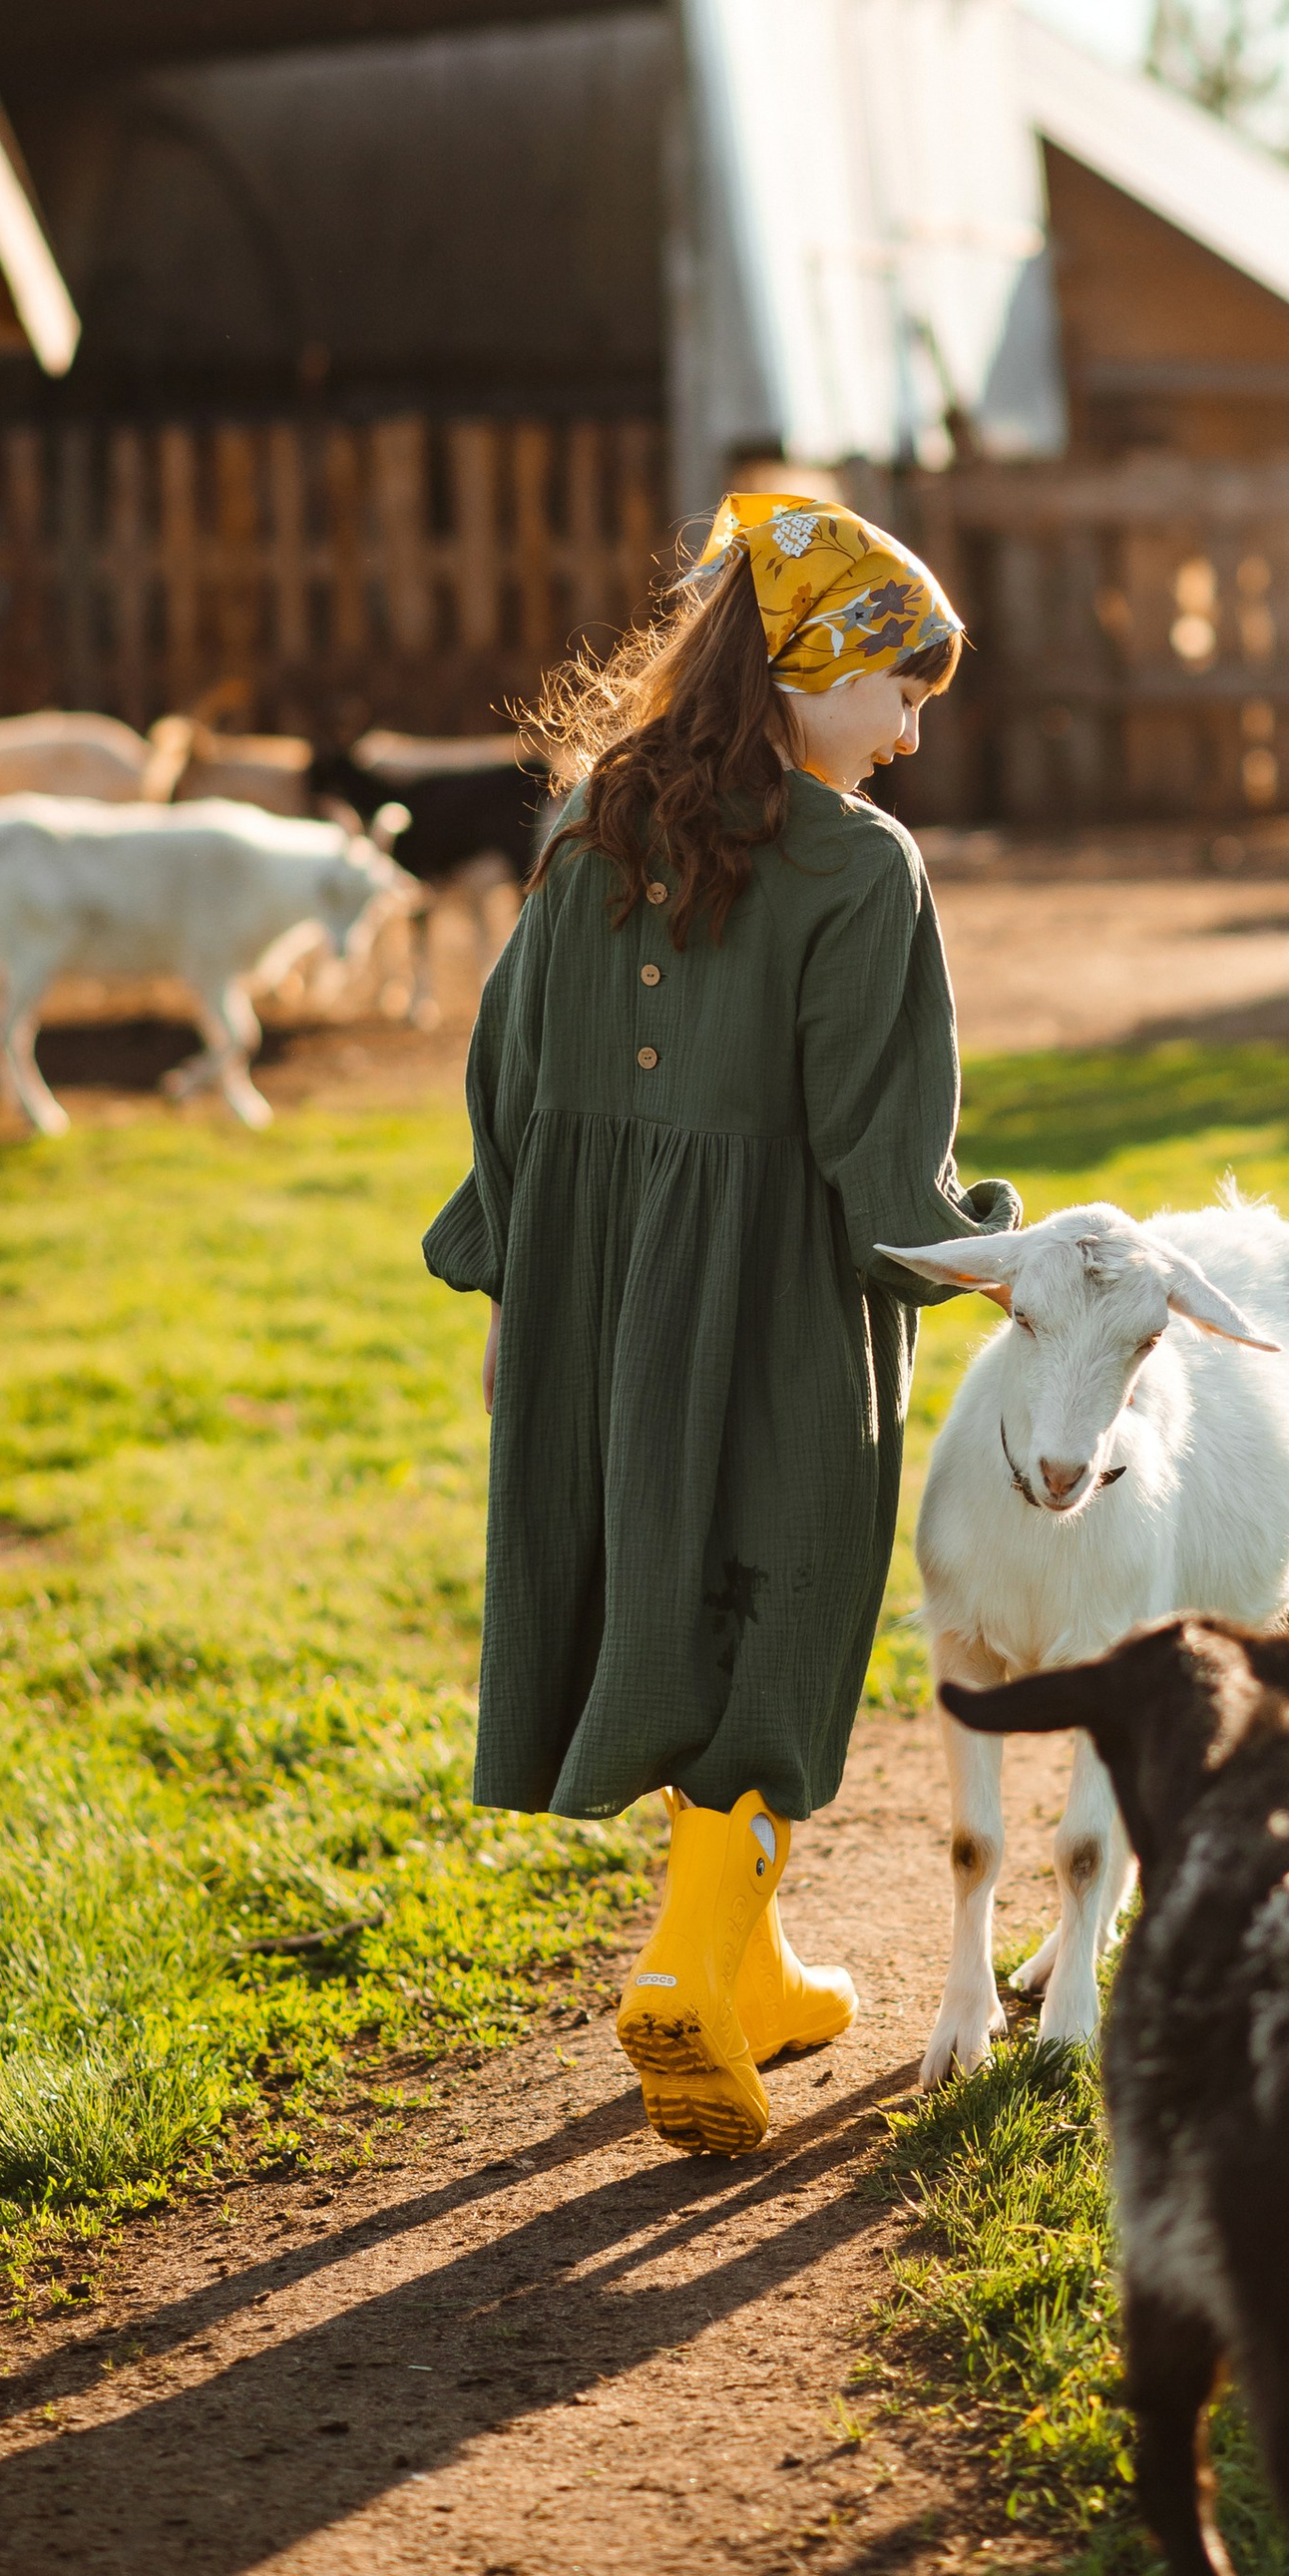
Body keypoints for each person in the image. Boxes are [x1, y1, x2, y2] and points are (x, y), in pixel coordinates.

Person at [422, 490, 1017, 2158]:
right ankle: (685, 1970)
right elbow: (880, 1162)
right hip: (779, 1306)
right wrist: (996, 1256)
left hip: (593, 1294)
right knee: (783, 1607)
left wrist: (515, 1279)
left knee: (673, 1599)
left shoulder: (589, 821)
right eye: (899, 690)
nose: (910, 736)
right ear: (809, 667)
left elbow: (506, 1072)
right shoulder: (863, 868)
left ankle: (756, 1980)